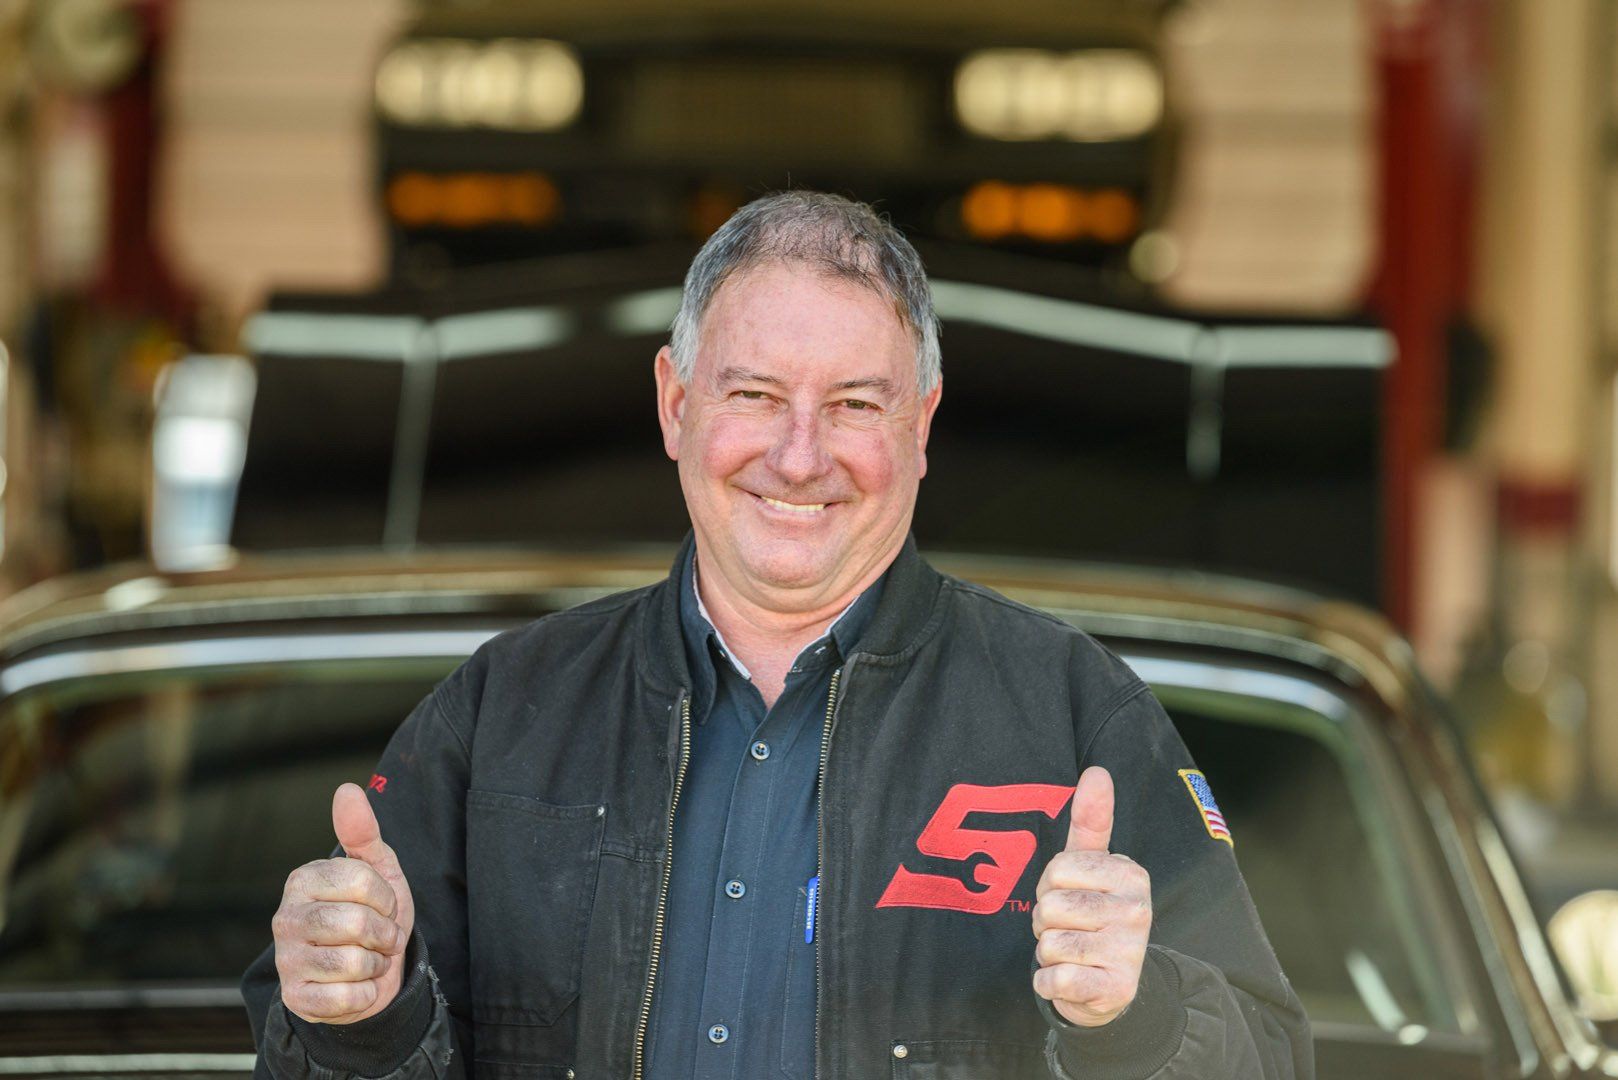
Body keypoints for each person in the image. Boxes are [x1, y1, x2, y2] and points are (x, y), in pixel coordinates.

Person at [243, 191, 1313, 1079]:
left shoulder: (1076, 716)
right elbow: (312, 1048)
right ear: (674, 406)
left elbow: (1272, 1056)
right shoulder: (499, 710)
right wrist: (357, 1017)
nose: (799, 458)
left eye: (853, 405)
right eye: (755, 394)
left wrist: (1139, 1018)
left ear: (922, 427)